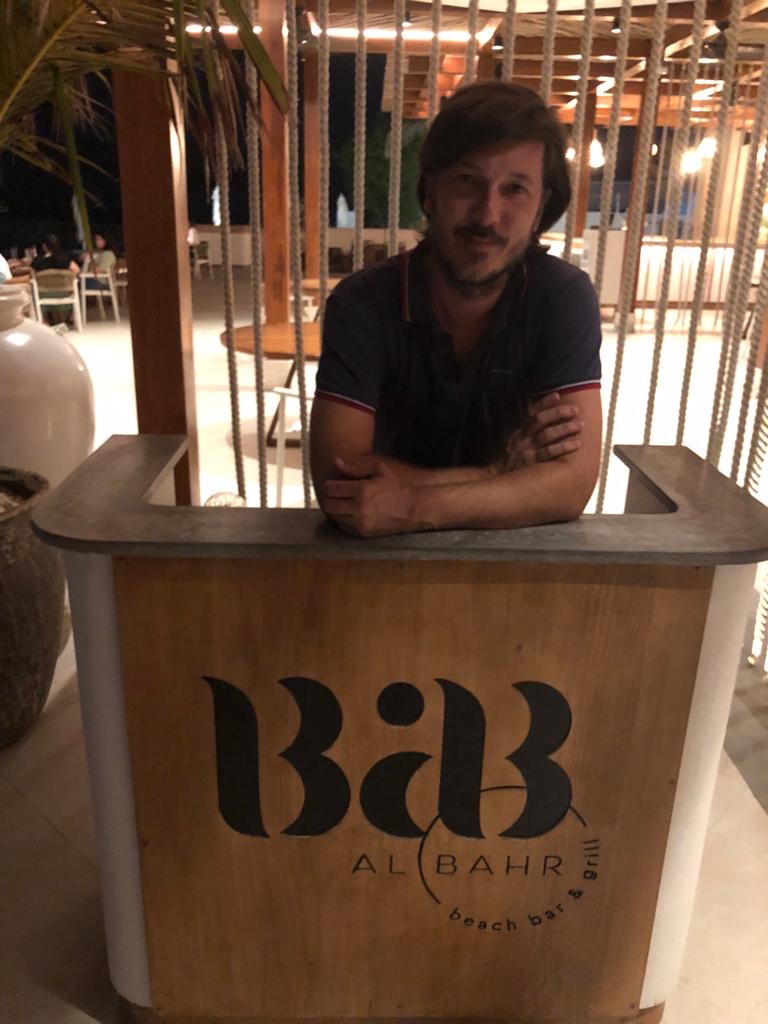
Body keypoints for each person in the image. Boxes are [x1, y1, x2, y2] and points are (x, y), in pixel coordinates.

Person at [310, 82, 602, 538]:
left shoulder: (561, 296)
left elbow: (572, 485)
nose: (487, 215)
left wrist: (410, 505)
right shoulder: (362, 302)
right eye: (467, 181)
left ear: (541, 208)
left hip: (514, 565)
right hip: (380, 568)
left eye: (515, 189)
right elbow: (342, 487)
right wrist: (498, 475)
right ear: (430, 192)